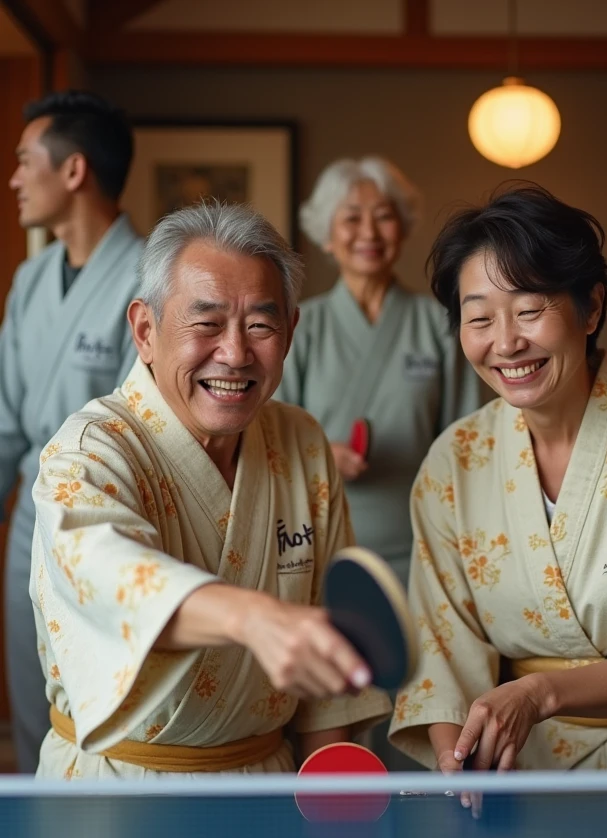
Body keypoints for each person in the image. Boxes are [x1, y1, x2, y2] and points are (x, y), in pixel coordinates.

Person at [31, 200, 392, 780]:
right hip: (120, 788)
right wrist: (255, 619)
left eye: (260, 325)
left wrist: (335, 804)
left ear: (291, 331)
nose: (235, 352)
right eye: (206, 322)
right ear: (145, 330)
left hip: (266, 782)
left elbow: (329, 671)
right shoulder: (91, 451)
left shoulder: (300, 442)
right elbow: (110, 575)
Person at [389, 183, 607, 781]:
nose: (506, 343)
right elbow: (442, 647)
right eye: (479, 319)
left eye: (529, 310)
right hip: (514, 773)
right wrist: (458, 760)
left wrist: (540, 695)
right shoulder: (456, 461)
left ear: (592, 308)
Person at [1, 90, 142, 772]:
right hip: (32, 519)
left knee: (111, 715)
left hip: (114, 524)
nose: (15, 178)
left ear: (74, 170)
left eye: (26, 161)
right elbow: (3, 415)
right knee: (35, 710)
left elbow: (147, 427)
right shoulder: (29, 280)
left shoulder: (151, 278)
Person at [276, 156, 479, 588]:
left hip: (422, 544)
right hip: (318, 544)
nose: (368, 233)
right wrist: (319, 456)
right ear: (327, 236)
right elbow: (269, 436)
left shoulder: (439, 324)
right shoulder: (300, 326)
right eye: (352, 218)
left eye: (384, 217)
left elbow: (464, 441)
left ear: (402, 230)